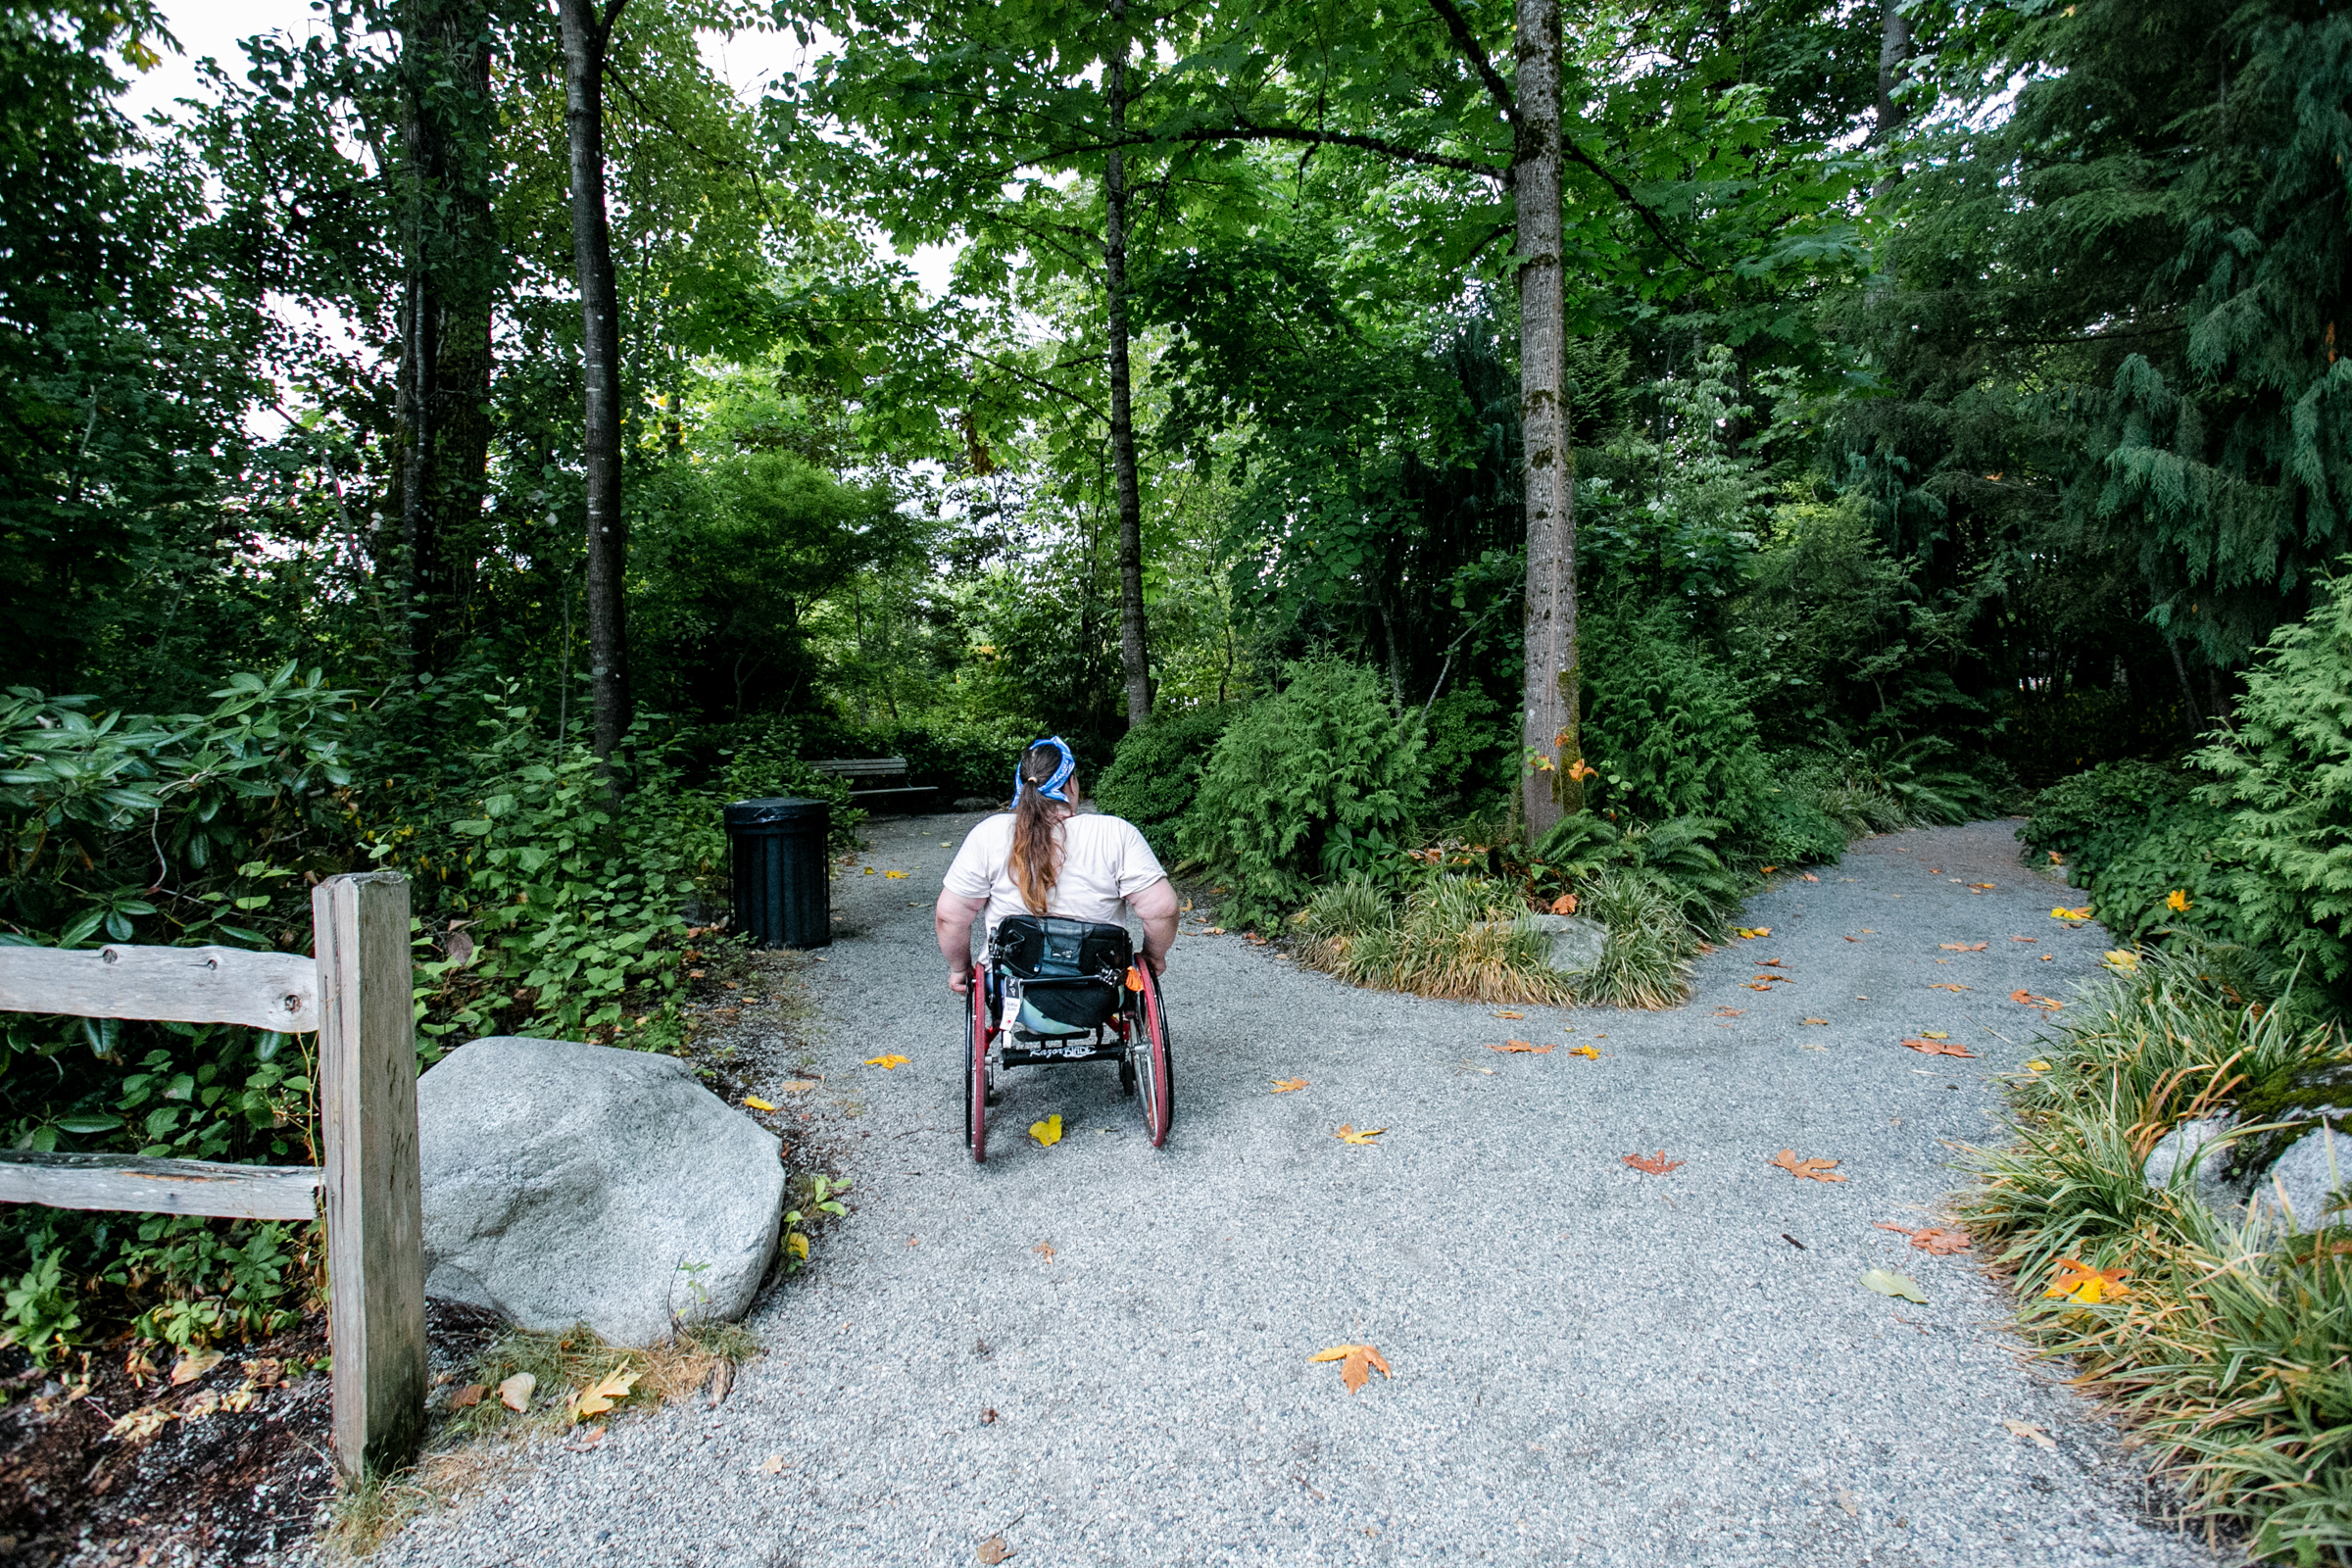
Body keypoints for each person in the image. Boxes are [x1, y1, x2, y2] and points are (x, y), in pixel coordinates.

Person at [934, 736, 1178, 995]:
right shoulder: (1115, 833)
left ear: (1020, 785)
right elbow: (1162, 909)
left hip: (1012, 988)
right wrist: (1153, 957)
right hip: (1101, 987)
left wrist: (959, 968)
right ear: (1071, 784)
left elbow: (949, 916)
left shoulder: (987, 835)